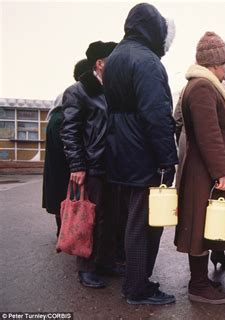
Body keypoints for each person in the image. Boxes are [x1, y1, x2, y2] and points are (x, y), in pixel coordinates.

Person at [102, 3, 178, 306]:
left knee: (132, 219)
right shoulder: (147, 61)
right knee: (145, 224)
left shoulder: (117, 57)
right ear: (152, 28)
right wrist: (167, 158)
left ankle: (135, 282)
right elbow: (156, 115)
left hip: (120, 149)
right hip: (143, 152)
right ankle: (137, 288)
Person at [174, 32, 225, 304]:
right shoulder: (203, 87)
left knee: (205, 226)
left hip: (203, 169)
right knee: (201, 227)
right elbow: (209, 134)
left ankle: (202, 282)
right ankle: (198, 286)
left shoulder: (201, 84)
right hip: (204, 172)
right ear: (214, 63)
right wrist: (221, 172)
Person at [60, 41, 118, 289]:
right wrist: (77, 165)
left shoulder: (114, 89)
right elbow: (69, 131)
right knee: (87, 217)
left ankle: (104, 262)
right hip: (91, 165)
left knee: (109, 217)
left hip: (113, 164)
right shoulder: (78, 91)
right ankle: (85, 267)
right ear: (100, 63)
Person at [42, 59, 90, 237]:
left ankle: (63, 229)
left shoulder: (64, 93)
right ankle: (67, 232)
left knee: (59, 187)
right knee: (66, 188)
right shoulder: (78, 92)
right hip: (64, 136)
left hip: (56, 131)